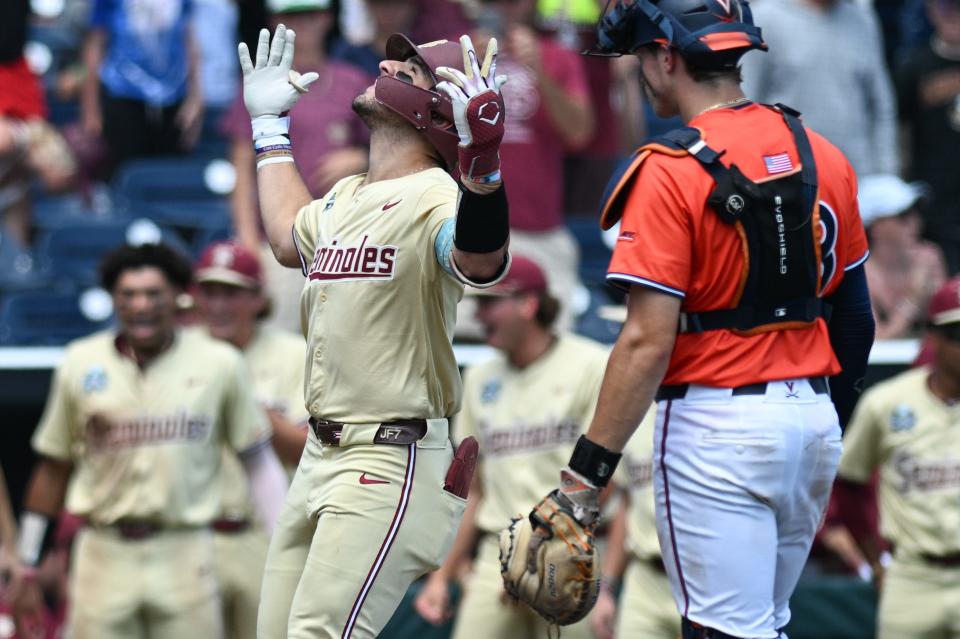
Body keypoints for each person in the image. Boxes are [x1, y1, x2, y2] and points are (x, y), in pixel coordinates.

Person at [511, 0, 876, 636]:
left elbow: (646, 343)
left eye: (643, 58)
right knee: (767, 623)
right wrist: (818, 419)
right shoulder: (821, 152)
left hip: (718, 426)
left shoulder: (668, 169)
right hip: (813, 424)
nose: (642, 73)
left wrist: (583, 482)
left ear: (668, 56)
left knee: (721, 632)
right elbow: (857, 319)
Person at [237, 19, 511, 637]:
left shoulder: (437, 194)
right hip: (318, 454)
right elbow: (285, 236)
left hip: (392, 455)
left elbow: (479, 258)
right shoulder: (346, 195)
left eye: (408, 71)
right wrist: (268, 130)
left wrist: (485, 165)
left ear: (436, 111)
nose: (386, 69)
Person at [6, 242, 289, 639]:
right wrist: (29, 560)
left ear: (179, 296)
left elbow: (257, 461)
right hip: (102, 550)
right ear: (113, 300)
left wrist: (281, 547)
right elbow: (54, 466)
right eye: (129, 295)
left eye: (154, 294)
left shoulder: (219, 362)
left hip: (185, 548)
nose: (141, 305)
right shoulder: (81, 362)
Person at [413, 255, 608, 639]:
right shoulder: (479, 378)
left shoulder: (590, 364)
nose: (480, 317)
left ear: (528, 304)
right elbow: (473, 491)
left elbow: (607, 470)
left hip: (569, 549)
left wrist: (554, 548)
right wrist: (443, 576)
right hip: (495, 553)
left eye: (490, 304)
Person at [223, 0, 374, 334]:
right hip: (279, 238)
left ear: (326, 17)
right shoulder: (258, 83)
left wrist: (363, 158)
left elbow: (390, 148)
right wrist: (248, 242)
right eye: (291, 15)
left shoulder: (354, 81)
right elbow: (241, 169)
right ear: (275, 19)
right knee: (282, 340)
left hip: (345, 238)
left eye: (310, 14)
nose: (302, 24)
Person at [193, 240, 309, 639]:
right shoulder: (181, 355)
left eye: (232, 292)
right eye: (209, 291)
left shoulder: (295, 353)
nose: (219, 304)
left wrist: (244, 399)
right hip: (191, 539)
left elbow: (309, 448)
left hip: (263, 536)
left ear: (259, 298)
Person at [833, 276, 960, 639]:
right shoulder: (888, 402)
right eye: (957, 334)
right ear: (933, 337)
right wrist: (876, 561)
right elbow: (848, 483)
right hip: (913, 575)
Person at [467, 0, 595, 330]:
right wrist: (470, 73)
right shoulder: (462, 52)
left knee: (553, 339)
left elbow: (579, 133)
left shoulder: (556, 56)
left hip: (539, 230)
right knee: (460, 340)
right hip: (468, 229)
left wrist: (539, 69)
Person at [740, 0, 898, 179]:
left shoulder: (862, 20)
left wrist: (886, 176)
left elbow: (880, 105)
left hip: (857, 181)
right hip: (790, 182)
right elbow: (744, 105)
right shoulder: (764, 18)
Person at [80, 0, 205, 171]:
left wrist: (195, 98)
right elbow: (95, 43)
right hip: (123, 95)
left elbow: (189, 37)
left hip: (174, 99)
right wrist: (91, 109)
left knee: (170, 176)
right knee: (125, 175)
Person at [590, 410, 680, 639]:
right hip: (645, 575)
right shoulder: (637, 408)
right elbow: (627, 504)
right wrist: (607, 588)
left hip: (702, 579)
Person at [895, 0, 960, 272]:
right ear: (932, 10)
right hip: (936, 199)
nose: (954, 16)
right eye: (947, 7)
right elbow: (898, 129)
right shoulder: (913, 65)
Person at [858, 175, 946, 339]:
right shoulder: (861, 272)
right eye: (903, 215)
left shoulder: (929, 257)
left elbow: (946, 332)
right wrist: (912, 299)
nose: (915, 221)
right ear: (875, 227)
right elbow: (877, 341)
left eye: (916, 212)